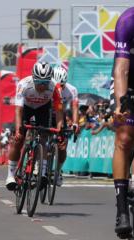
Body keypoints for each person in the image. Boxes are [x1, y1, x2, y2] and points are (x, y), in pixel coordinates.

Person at [5, 62, 64, 191]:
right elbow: (18, 110)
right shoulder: (23, 85)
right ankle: (10, 175)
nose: (42, 86)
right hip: (26, 108)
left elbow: (59, 110)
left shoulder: (55, 87)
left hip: (43, 108)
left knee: (44, 136)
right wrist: (19, 129)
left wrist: (60, 129)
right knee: (18, 139)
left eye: (45, 83)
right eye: (39, 82)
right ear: (33, 78)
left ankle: (42, 173)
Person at [111, 7, 134, 237]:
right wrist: (120, 105)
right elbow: (121, 70)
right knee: (125, 136)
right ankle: (121, 209)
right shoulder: (128, 21)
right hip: (129, 75)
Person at [51, 66, 79, 186]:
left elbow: (75, 107)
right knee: (40, 135)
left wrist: (75, 123)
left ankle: (57, 172)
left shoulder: (72, 90)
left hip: (59, 114)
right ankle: (38, 165)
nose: (60, 88)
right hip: (45, 112)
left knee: (62, 147)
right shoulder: (48, 87)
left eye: (62, 85)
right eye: (58, 85)